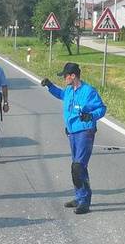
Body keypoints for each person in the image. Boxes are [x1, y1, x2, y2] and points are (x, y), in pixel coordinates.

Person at [40, 63, 107, 215]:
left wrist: (91, 116)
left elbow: (101, 108)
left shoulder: (88, 91)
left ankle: (84, 201)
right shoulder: (69, 90)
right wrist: (49, 85)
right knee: (78, 166)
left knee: (78, 167)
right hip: (72, 132)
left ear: (73, 76)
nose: (64, 79)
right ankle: (79, 196)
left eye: (65, 76)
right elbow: (60, 94)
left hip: (85, 131)